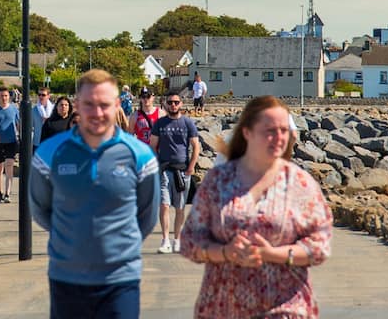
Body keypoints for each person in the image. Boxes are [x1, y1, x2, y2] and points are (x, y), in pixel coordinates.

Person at [179, 95, 332, 318]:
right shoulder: (218, 181)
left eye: (283, 130)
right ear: (247, 132)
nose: (278, 137)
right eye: (269, 130)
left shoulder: (301, 183)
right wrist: (225, 252)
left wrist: (272, 254)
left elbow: (320, 246)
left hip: (286, 308)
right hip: (223, 308)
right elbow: (190, 241)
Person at [29, 69, 159, 319]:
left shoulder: (140, 156)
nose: (97, 113)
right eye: (89, 104)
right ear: (77, 105)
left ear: (118, 105)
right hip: (67, 278)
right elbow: (41, 210)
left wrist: (116, 248)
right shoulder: (49, 153)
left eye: (104, 105)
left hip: (120, 279)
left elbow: (147, 216)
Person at [148, 94, 201, 254]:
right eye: (170, 102)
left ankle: (177, 239)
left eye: (176, 102)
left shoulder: (188, 123)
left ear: (181, 104)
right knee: (164, 205)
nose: (173, 105)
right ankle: (165, 240)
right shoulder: (160, 123)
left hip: (182, 171)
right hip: (164, 170)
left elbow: (196, 146)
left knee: (180, 207)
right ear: (166, 104)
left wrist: (191, 166)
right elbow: (153, 145)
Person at [0, 88, 21, 204]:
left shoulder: (14, 109)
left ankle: (7, 193)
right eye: (2, 96)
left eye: (6, 96)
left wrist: (22, 137)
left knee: (9, 165)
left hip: (11, 142)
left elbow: (18, 125)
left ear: (9, 97)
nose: (4, 98)